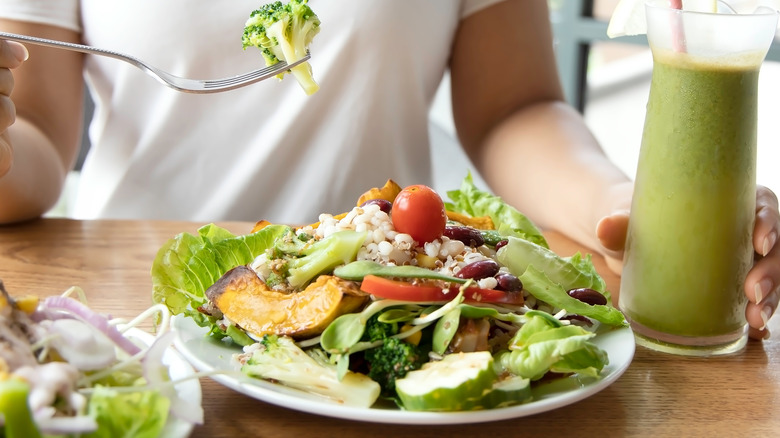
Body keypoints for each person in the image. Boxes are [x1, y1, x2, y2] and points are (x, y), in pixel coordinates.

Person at [0, 0, 777, 340]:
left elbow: (515, 107)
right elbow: (32, 139)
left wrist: (624, 207)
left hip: (394, 300)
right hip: (134, 311)